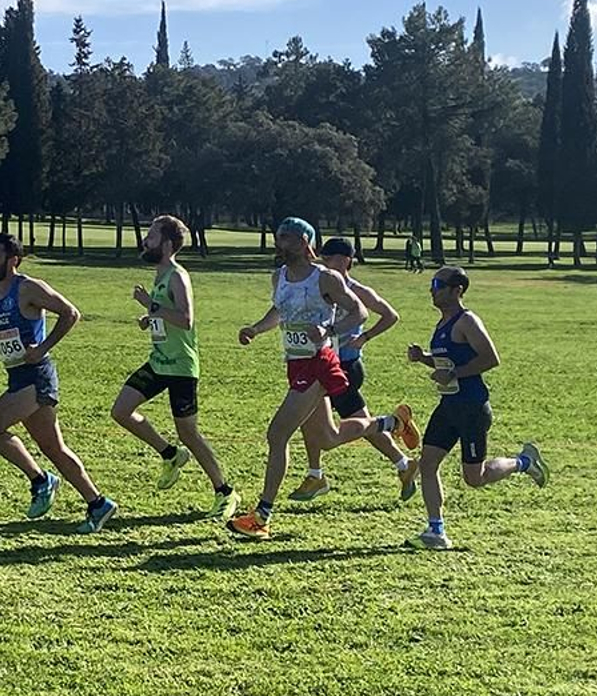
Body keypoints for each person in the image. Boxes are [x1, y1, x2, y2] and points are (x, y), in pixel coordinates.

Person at [227, 217, 418, 540]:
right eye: (278, 237)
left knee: (277, 434)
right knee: (327, 438)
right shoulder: (279, 277)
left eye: (286, 237)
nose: (280, 243)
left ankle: (262, 516)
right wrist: (256, 329)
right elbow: (279, 311)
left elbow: (359, 312)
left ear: (304, 241)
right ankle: (390, 423)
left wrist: (329, 330)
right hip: (296, 364)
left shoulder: (325, 278)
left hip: (319, 363)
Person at [0, 232, 118, 534]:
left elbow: (70, 313)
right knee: (54, 448)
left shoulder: (27, 288)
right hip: (17, 376)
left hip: (36, 376)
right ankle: (98, 503)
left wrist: (44, 346)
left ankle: (41, 480)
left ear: (13, 261)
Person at [405, 266, 547, 551]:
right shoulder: (443, 323)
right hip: (448, 406)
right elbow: (447, 363)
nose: (432, 289)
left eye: (438, 284)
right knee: (428, 462)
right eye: (432, 284)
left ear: (457, 290)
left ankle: (524, 462)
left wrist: (455, 373)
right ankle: (436, 531)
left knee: (475, 478)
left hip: (472, 407)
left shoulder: (467, 320)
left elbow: (490, 358)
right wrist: (424, 358)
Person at [110, 215, 238, 518]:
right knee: (121, 411)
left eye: (152, 237)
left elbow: (186, 319)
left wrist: (150, 306)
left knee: (189, 434)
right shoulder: (160, 274)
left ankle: (225, 492)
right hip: (158, 362)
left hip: (180, 366)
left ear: (167, 244)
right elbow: (167, 317)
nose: (145, 241)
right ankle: (169, 454)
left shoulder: (178, 276)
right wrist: (150, 318)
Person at [292, 237, 419, 504]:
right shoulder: (321, 284)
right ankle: (401, 464)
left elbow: (391, 315)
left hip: (346, 367)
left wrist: (366, 337)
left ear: (346, 260)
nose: (325, 263)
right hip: (321, 364)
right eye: (323, 258)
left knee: (347, 424)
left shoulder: (357, 291)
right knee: (319, 419)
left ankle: (398, 443)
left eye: (331, 259)